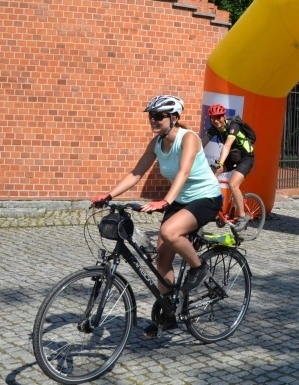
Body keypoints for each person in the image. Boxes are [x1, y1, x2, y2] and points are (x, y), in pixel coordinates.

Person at [91, 95, 222, 336]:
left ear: (174, 118)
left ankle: (199, 267)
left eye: (159, 116)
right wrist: (108, 196)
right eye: (151, 116)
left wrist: (165, 201)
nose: (153, 120)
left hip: (205, 198)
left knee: (168, 232)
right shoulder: (157, 143)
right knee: (161, 260)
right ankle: (169, 313)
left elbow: (183, 172)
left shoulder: (189, 138)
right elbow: (136, 173)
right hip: (180, 200)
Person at [203, 104, 253, 230]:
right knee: (210, 176)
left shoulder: (233, 125)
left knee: (233, 184)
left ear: (224, 116)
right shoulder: (214, 128)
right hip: (231, 158)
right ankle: (216, 207)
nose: (216, 120)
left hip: (245, 158)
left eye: (219, 117)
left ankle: (242, 216)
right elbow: (200, 145)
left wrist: (220, 163)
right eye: (213, 118)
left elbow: (227, 145)